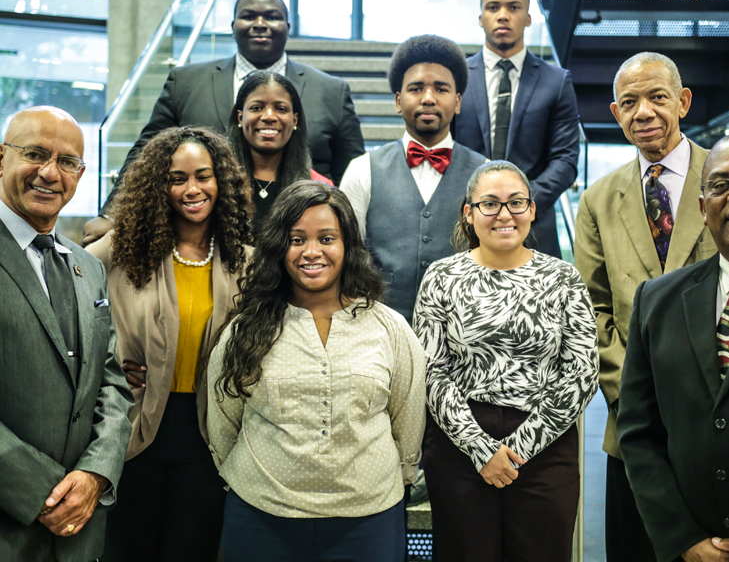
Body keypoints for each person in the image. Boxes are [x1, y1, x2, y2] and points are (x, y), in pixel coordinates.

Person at [207, 181, 426, 562]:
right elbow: (223, 421)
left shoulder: (388, 328)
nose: (312, 252)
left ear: (347, 246)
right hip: (261, 515)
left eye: (327, 238)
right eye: (297, 239)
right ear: (279, 247)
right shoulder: (245, 329)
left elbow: (408, 422)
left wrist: (399, 477)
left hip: (368, 519)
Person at [618, 133, 729, 562]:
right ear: (702, 208)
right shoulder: (657, 301)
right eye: (720, 185)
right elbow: (639, 433)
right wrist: (683, 540)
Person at [414, 161, 598, 562]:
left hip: (545, 446)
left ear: (532, 210)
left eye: (516, 203)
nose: (504, 215)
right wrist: (480, 448)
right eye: (490, 204)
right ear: (469, 212)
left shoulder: (563, 279)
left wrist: (518, 448)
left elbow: (582, 373)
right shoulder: (441, 277)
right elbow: (431, 370)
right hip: (460, 446)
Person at [573, 51, 718, 562]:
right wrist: (633, 392)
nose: (644, 112)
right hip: (635, 426)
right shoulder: (596, 200)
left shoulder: (725, 179)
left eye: (657, 97)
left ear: (682, 102)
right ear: (616, 113)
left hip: (720, 418)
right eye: (629, 102)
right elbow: (593, 312)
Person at [85, 127, 253, 562]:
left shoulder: (246, 261)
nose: (191, 189)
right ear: (159, 186)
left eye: (203, 176)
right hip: (134, 431)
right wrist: (109, 360)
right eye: (177, 178)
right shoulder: (120, 250)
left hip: (209, 437)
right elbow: (74, 304)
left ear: (222, 182)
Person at [83, 0, 363, 243]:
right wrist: (112, 214)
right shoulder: (187, 82)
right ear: (233, 26)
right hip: (205, 240)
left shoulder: (330, 90)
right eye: (249, 16)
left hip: (299, 242)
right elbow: (147, 152)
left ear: (287, 28)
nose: (260, 24)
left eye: (272, 16)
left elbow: (352, 173)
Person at [0, 106, 133, 562]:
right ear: (1, 159)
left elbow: (113, 383)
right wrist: (41, 492)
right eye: (35, 153)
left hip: (80, 531)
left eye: (67, 162)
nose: (50, 173)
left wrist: (96, 474)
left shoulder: (89, 267)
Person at [340, 34, 486, 324]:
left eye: (441, 89)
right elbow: (345, 253)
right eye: (416, 88)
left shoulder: (485, 174)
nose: (428, 98)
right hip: (378, 328)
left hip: (463, 329)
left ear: (457, 102)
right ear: (398, 100)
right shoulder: (362, 169)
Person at [454, 0, 580, 259]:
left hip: (535, 230)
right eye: (493, 7)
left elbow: (565, 160)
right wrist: (480, 206)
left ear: (528, 18)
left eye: (513, 7)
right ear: (480, 17)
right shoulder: (456, 77)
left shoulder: (556, 81)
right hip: (466, 227)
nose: (502, 15)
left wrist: (518, 205)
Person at [228, 70, 332, 225]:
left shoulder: (319, 187)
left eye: (281, 109)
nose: (269, 116)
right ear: (240, 118)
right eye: (256, 108)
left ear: (295, 120)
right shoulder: (216, 181)